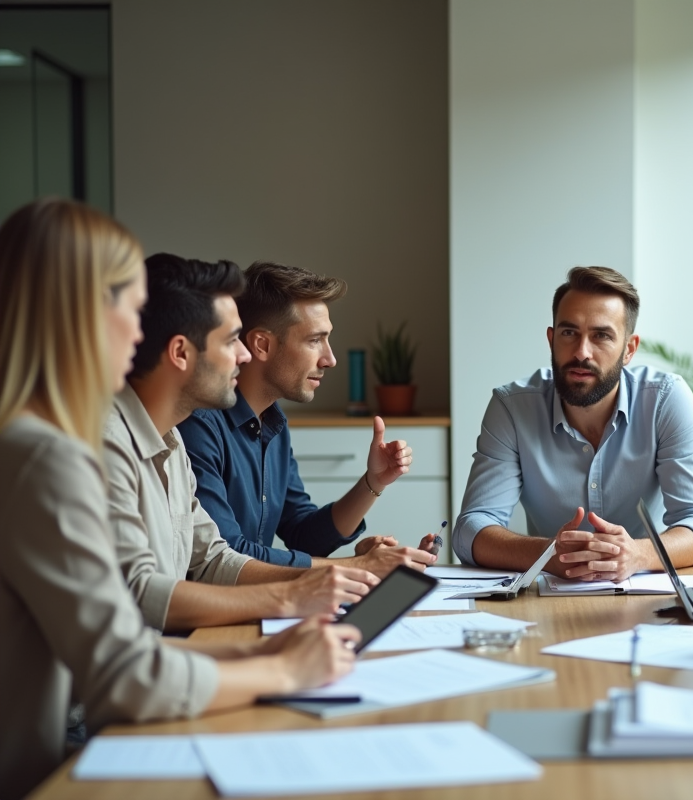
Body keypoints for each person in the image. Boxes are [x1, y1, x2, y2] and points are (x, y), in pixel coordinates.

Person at [0, 199, 359, 800]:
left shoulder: (146, 437)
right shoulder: (49, 455)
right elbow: (124, 673)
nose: (143, 331)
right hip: (57, 766)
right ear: (83, 317)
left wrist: (267, 649)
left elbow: (190, 574)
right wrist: (282, 666)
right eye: (133, 308)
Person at [105, 253, 383, 632]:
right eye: (232, 340)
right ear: (181, 353)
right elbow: (141, 595)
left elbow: (213, 560)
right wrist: (331, 579)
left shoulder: (170, 443)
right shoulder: (111, 445)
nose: (243, 354)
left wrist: (323, 583)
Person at [452, 266, 693, 581]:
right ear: (552, 339)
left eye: (602, 335)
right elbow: (471, 529)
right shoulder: (511, 407)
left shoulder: (665, 399)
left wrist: (637, 555)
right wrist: (550, 554)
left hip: (648, 598)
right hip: (550, 601)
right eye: (569, 333)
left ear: (629, 349)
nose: (582, 352)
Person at [177, 261, 435, 575]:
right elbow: (228, 554)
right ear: (263, 345)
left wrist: (373, 482)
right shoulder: (198, 426)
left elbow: (303, 534)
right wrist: (359, 567)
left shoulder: (273, 424)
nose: (330, 359)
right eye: (315, 340)